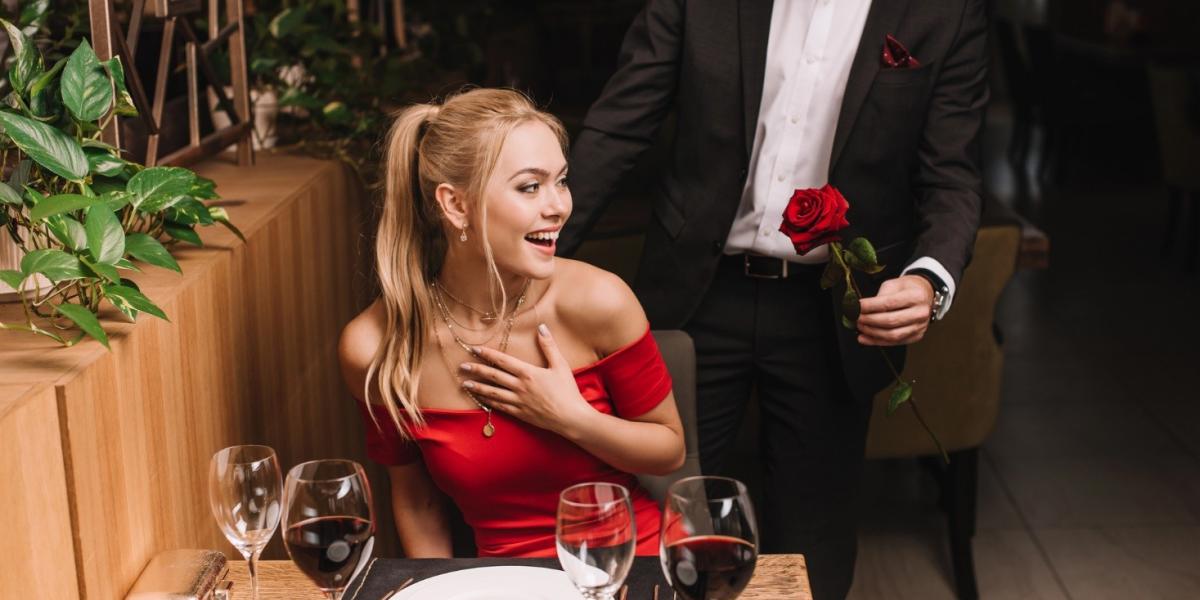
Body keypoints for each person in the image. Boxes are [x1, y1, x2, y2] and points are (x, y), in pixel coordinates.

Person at [557, 2, 988, 598]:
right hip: (695, 293)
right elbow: (620, 124)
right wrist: (531, 251)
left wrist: (928, 278)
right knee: (655, 515)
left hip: (834, 314)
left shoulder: (945, 13)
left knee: (815, 544)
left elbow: (952, 176)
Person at [337, 88, 685, 559]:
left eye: (561, 182)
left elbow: (669, 450)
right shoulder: (375, 347)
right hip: (504, 582)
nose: (559, 206)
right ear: (455, 205)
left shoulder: (599, 300)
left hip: (639, 563)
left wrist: (572, 418)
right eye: (530, 186)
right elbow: (417, 501)